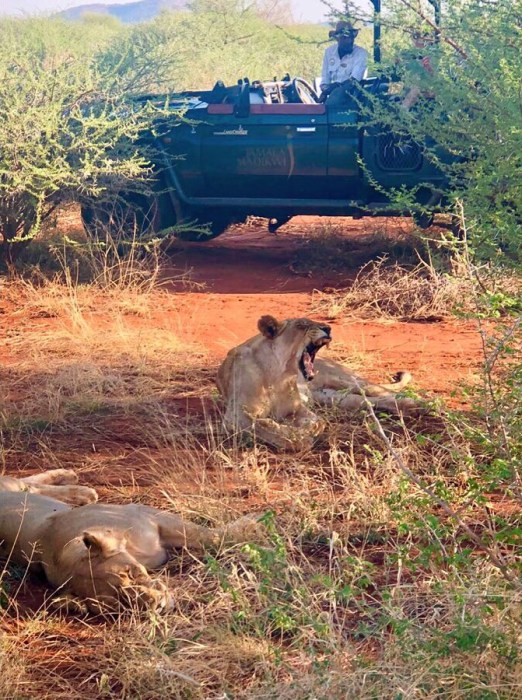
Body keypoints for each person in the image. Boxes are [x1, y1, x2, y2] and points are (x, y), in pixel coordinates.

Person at [320, 20, 368, 105]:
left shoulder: (361, 54)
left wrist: (336, 86)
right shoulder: (329, 52)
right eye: (345, 38)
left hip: (352, 98)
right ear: (337, 39)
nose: (349, 41)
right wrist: (325, 90)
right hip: (333, 96)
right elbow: (325, 80)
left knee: (336, 96)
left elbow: (354, 81)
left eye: (351, 37)